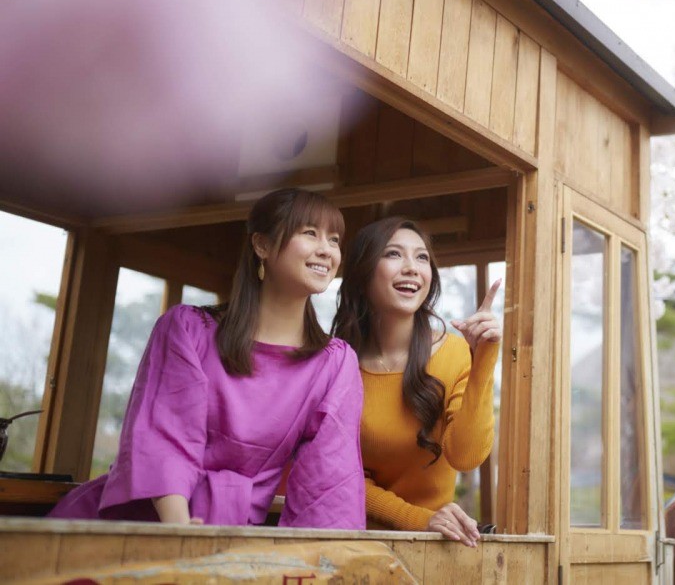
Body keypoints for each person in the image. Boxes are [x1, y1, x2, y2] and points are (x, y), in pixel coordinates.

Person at [49, 188, 364, 528]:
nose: (326, 250)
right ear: (262, 245)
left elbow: (330, 484)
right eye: (310, 233)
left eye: (334, 239)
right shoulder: (188, 329)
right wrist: (179, 527)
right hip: (138, 525)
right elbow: (164, 436)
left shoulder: (334, 363)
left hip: (227, 534)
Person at [330, 217, 500, 545]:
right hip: (349, 543)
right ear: (363, 272)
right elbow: (339, 475)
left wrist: (484, 360)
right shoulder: (336, 363)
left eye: (421, 257)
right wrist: (419, 519)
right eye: (394, 254)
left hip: (433, 550)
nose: (412, 267)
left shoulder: (452, 353)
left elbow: (467, 457)